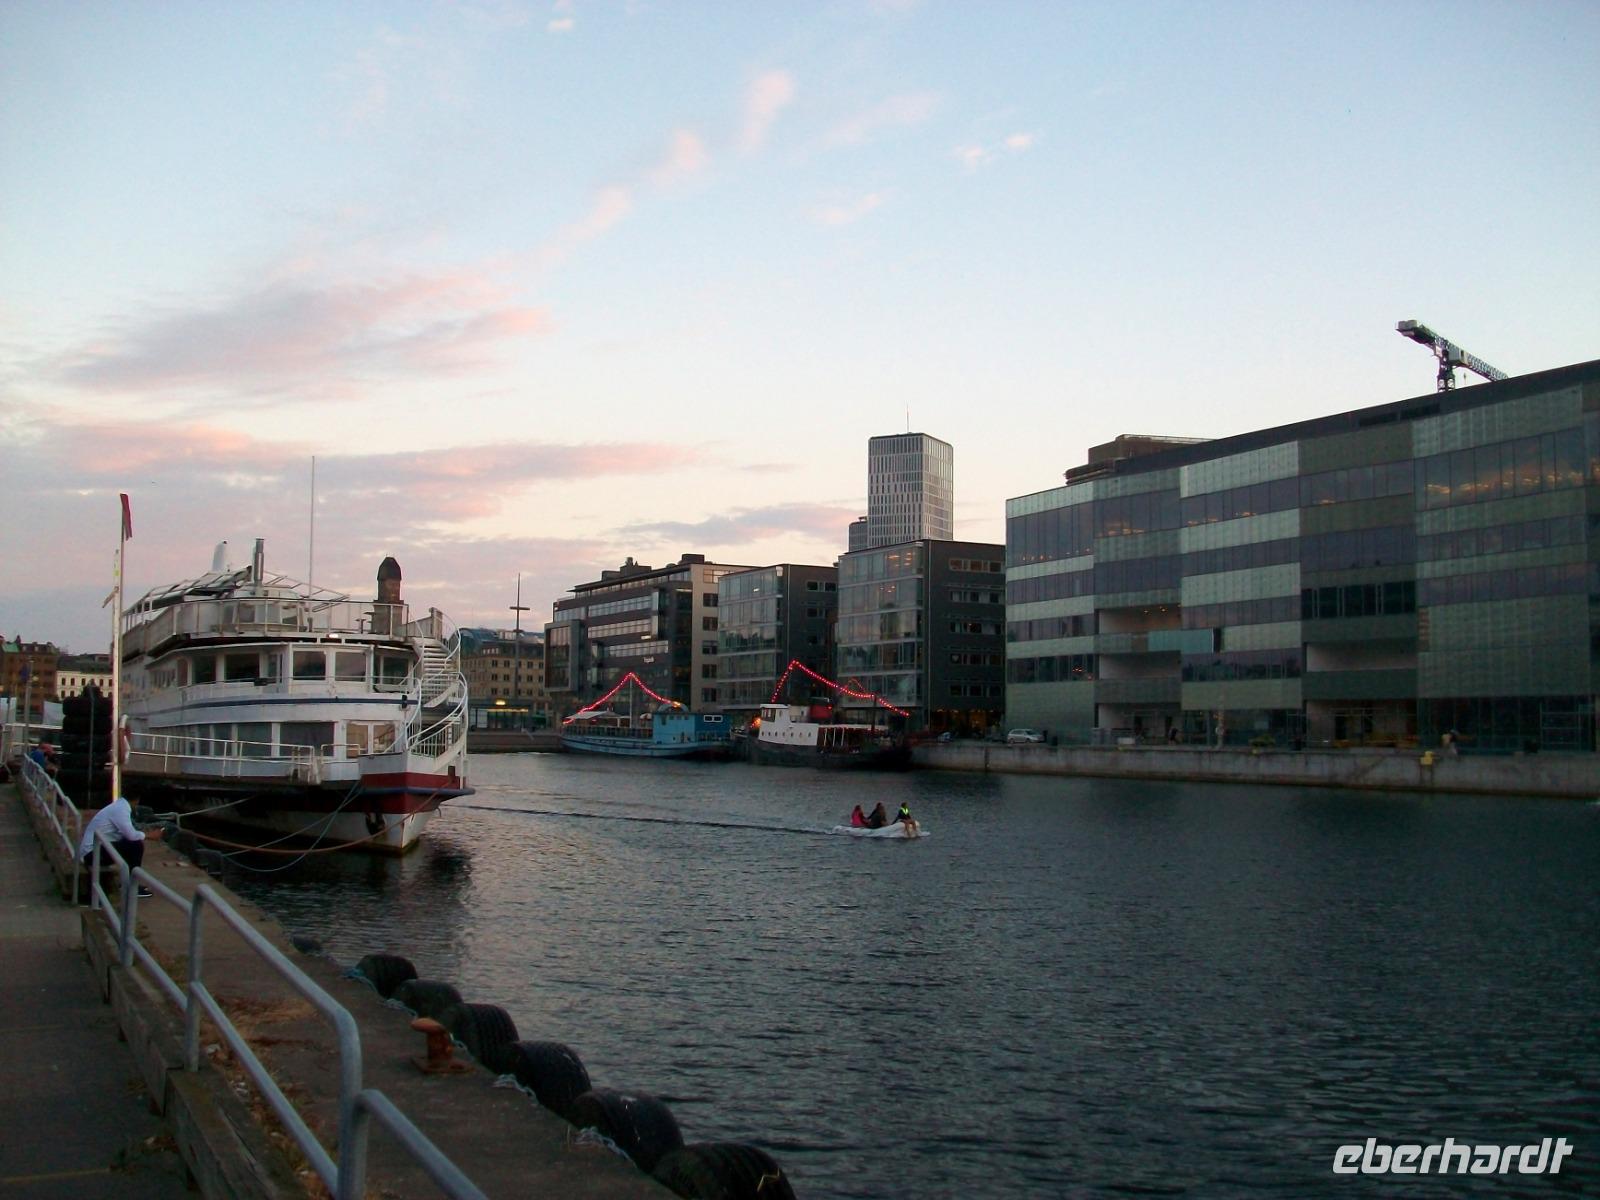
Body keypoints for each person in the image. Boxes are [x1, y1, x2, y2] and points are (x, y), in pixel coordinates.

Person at [77, 795, 163, 897]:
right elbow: (131, 836)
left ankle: (128, 883)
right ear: (137, 800)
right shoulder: (121, 809)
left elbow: (126, 833)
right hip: (91, 854)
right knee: (136, 846)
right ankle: (131, 888)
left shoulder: (118, 806)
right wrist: (150, 835)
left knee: (129, 844)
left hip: (94, 849)